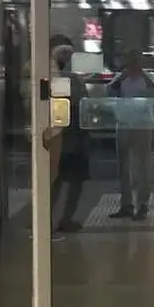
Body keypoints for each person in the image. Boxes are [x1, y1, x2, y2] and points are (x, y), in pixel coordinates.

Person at [106, 49, 154, 220]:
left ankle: (142, 204)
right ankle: (126, 205)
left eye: (136, 61)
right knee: (124, 167)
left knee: (142, 166)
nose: (133, 65)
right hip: (124, 124)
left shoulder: (148, 78)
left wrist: (144, 77)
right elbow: (109, 92)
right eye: (131, 61)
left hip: (142, 125)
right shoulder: (121, 78)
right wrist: (120, 78)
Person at [49, 44, 91, 233]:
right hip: (73, 139)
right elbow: (81, 105)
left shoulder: (57, 79)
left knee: (56, 181)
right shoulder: (72, 80)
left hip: (61, 138)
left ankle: (47, 218)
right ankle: (66, 219)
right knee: (75, 182)